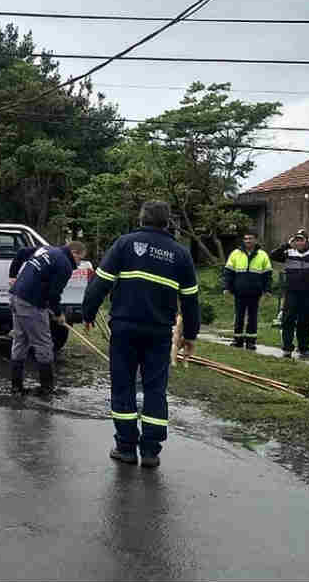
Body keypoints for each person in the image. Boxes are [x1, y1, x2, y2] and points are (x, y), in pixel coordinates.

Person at [81, 201, 199, 469]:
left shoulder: (125, 243)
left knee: (123, 387)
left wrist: (87, 314)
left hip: (124, 329)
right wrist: (190, 335)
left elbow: (101, 282)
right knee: (155, 388)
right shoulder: (180, 254)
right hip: (158, 333)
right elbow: (191, 300)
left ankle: (125, 447)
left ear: (142, 219)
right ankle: (150, 452)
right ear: (167, 222)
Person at [9, 244, 75, 398]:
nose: (78, 263)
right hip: (31, 304)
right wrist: (58, 314)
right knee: (44, 344)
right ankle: (47, 389)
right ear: (73, 252)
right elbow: (54, 294)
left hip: (16, 297)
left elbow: (21, 253)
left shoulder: (46, 248)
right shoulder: (65, 264)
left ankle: (16, 387)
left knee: (21, 341)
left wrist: (13, 275)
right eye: (79, 258)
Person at [268, 229, 309, 359]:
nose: (299, 243)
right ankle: (287, 348)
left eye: (301, 240)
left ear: (306, 241)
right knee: (288, 320)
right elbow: (273, 255)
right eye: (297, 240)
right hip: (291, 292)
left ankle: (304, 349)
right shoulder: (288, 252)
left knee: (305, 321)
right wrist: (287, 244)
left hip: (308, 292)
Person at [222, 231, 273, 350]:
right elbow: (228, 273)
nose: (248, 241)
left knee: (252, 317)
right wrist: (226, 287)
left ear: (256, 240)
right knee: (239, 316)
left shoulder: (263, 255)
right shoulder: (235, 254)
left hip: (255, 292)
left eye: (250, 238)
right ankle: (237, 340)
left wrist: (267, 290)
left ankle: (251, 341)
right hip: (239, 291)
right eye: (245, 239)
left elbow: (267, 275)